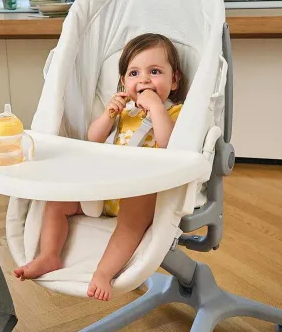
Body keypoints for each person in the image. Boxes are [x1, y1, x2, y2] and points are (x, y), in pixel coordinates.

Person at [13, 33, 188, 301]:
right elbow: (93, 138)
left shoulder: (173, 112)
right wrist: (108, 114)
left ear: (174, 80)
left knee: (130, 223)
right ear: (123, 82)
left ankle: (104, 272)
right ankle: (49, 255)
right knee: (57, 201)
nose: (144, 80)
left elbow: (168, 144)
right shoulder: (124, 111)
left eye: (154, 72)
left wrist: (155, 107)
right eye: (134, 73)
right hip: (105, 188)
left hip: (141, 192)